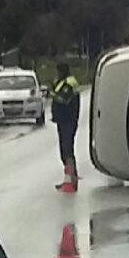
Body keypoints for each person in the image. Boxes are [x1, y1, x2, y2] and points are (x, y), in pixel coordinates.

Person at [49, 62, 81, 191]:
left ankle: (71, 181)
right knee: (65, 150)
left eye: (58, 71)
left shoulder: (69, 83)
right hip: (63, 121)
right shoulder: (63, 82)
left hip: (68, 121)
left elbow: (64, 99)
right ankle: (70, 178)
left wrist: (52, 94)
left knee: (67, 150)